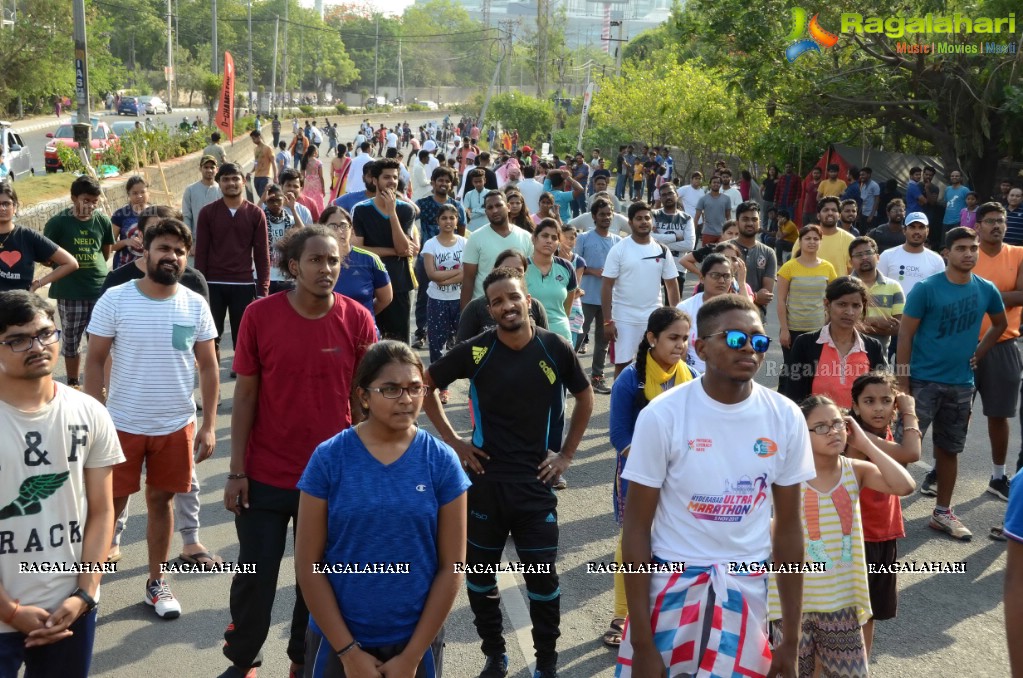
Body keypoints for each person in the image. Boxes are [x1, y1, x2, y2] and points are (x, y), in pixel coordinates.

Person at [616, 294, 813, 677]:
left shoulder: (785, 416)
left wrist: (790, 640)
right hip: (670, 588)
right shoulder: (663, 415)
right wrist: (642, 642)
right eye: (735, 339)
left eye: (758, 341)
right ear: (701, 348)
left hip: (747, 593)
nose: (750, 350)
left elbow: (789, 527)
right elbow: (637, 528)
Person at [218, 226, 377, 678]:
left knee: (318, 581)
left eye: (333, 260)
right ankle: (244, 660)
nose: (326, 269)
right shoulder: (258, 315)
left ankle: (302, 660)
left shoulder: (358, 319)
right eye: (315, 260)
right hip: (266, 473)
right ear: (293, 267)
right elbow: (245, 396)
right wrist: (236, 471)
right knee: (255, 576)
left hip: (332, 479)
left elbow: (360, 400)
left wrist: (365, 470)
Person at [423, 266, 593, 678]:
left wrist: (566, 455)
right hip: (485, 485)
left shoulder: (554, 347)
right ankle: (494, 655)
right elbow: (424, 385)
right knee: (481, 581)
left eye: (512, 297)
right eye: (496, 302)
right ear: (490, 309)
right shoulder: (477, 350)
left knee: (543, 583)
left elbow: (585, 397)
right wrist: (455, 443)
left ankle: (546, 662)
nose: (506, 306)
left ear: (527, 299)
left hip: (536, 486)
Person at [295, 341, 469, 678]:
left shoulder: (441, 462)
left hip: (414, 647)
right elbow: (308, 565)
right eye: (391, 389)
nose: (406, 399)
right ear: (363, 396)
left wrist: (412, 656)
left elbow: (453, 567)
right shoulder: (329, 459)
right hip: (337, 642)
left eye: (415, 388)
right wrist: (348, 653)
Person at [84, 217, 219, 620]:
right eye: (164, 248)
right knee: (109, 503)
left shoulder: (194, 304)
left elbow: (210, 368)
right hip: (120, 424)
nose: (172, 256)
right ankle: (88, 585)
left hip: (176, 425)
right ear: (144, 250)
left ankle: (156, 582)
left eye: (180, 251)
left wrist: (209, 424)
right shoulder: (116, 299)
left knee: (161, 501)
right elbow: (94, 360)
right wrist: (95, 417)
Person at [0, 290, 123, 677]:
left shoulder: (89, 412)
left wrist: (85, 593)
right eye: (17, 339)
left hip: (70, 607)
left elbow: (102, 512)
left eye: (45, 334)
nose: (36, 346)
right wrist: (11, 612)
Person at [767, 394, 914, 678]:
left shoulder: (854, 471)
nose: (833, 431)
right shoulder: (785, 477)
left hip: (842, 604)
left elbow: (905, 485)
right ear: (800, 434)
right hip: (792, 605)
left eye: (838, 424)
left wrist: (865, 443)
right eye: (821, 427)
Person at [897, 227, 1007, 541]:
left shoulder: (986, 289)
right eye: (961, 248)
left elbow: (999, 324)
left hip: (961, 384)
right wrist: (902, 385)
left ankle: (942, 512)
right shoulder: (927, 289)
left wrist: (980, 352)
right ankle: (881, 510)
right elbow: (905, 335)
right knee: (902, 449)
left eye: (973, 248)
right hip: (921, 381)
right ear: (947, 253)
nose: (969, 253)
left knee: (949, 450)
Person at [604, 307, 696, 648]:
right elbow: (619, 436)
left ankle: (673, 613)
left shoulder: (693, 378)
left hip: (682, 476)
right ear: (652, 338)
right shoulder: (630, 380)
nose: (680, 345)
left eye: (685, 338)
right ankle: (622, 615)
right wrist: (654, 466)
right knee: (633, 540)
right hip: (638, 475)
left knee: (679, 539)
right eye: (673, 338)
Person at [847, 371, 921, 657]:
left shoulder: (880, 433)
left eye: (886, 400)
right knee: (853, 611)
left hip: (883, 534)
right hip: (858, 537)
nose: (878, 407)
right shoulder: (859, 437)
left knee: (871, 611)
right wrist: (910, 411)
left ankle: (860, 667)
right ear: (855, 406)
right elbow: (911, 452)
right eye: (869, 401)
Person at [194, 163, 270, 369]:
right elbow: (201, 253)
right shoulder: (207, 213)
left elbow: (262, 255)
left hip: (243, 284)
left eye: (235, 178)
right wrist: (199, 289)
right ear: (219, 183)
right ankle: (213, 387)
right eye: (225, 179)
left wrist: (263, 290)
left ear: (243, 181)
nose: (231, 183)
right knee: (211, 339)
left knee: (244, 342)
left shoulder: (255, 214)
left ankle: (243, 393)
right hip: (213, 285)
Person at [971, 201, 1023, 499]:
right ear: (978, 226)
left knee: (999, 414)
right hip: (962, 343)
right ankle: (939, 470)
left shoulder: (1018, 254)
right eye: (990, 221)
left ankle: (998, 476)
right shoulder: (967, 253)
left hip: (1003, 344)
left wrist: (982, 293)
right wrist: (1004, 296)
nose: (997, 226)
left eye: (1001, 221)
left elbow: (1022, 294)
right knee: (956, 411)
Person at [43, 176, 115, 388]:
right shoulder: (57, 223)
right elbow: (48, 257)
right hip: (70, 291)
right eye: (86, 200)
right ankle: (73, 382)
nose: (91, 205)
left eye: (95, 201)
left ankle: (99, 383)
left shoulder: (102, 221)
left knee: (101, 340)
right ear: (73, 198)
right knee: (72, 341)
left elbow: (105, 253)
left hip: (99, 290)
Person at [602, 201, 681, 376]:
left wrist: (677, 318)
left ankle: (648, 403)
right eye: (639, 218)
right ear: (630, 223)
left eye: (647, 218)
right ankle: (621, 403)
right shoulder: (619, 249)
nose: (644, 222)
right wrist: (608, 320)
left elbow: (672, 285)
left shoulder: (662, 250)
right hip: (624, 318)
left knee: (654, 365)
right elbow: (607, 285)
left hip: (653, 317)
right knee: (622, 366)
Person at [783, 276, 887, 406]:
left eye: (856, 306)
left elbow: (883, 393)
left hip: (860, 426)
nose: (849, 312)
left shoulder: (872, 347)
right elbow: (794, 396)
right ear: (827, 304)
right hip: (817, 424)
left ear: (863, 308)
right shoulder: (805, 344)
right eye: (842, 304)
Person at [351, 158, 418, 344]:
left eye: (395, 178)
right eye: (386, 177)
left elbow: (404, 248)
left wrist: (392, 212)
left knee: (399, 344)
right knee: (370, 342)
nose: (392, 182)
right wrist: (392, 251)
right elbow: (357, 249)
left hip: (400, 284)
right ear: (374, 180)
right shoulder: (361, 210)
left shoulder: (406, 210)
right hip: (370, 283)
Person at [776, 224, 838, 392]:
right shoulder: (788, 267)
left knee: (813, 370)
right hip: (793, 328)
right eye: (808, 238)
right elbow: (781, 300)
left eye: (816, 239)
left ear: (820, 242)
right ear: (800, 241)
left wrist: (828, 322)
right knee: (791, 370)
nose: (812, 242)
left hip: (818, 329)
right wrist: (784, 330)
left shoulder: (827, 267)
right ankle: (785, 401)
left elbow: (834, 299)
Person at [459, 190, 534, 309]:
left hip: (518, 307)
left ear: (508, 207)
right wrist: (464, 316)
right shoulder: (475, 238)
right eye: (490, 207)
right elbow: (468, 279)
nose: (494, 210)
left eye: (499, 205)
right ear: (486, 212)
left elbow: (531, 276)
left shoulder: (526, 237)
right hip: (484, 308)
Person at [455, 249, 549, 343]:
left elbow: (545, 345)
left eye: (518, 270)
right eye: (506, 269)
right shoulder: (475, 308)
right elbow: (461, 352)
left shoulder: (536, 306)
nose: (511, 274)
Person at [0, 182, 78, 293]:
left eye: (6, 204)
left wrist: (38, 284)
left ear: (15, 207)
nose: (2, 208)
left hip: (21, 305)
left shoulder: (27, 236)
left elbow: (71, 263)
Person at [319, 206, 392, 320]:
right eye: (333, 226)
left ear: (352, 230)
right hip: (329, 330)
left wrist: (363, 316)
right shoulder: (315, 261)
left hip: (364, 331)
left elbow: (385, 299)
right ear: (322, 229)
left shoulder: (370, 259)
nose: (339, 231)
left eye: (343, 226)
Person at [678, 253, 744, 374]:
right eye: (715, 275)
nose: (722, 280)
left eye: (726, 276)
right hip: (691, 375)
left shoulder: (738, 310)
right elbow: (679, 348)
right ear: (702, 278)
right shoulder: (685, 308)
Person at [422, 204, 466, 377]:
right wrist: (458, 272)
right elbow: (432, 275)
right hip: (437, 300)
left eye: (452, 218)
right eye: (444, 218)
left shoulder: (464, 243)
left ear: (457, 221)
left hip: (460, 299)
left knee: (463, 342)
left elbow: (468, 273)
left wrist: (445, 278)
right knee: (436, 343)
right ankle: (440, 383)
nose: (448, 221)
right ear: (437, 221)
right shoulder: (430, 244)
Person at [849, 236, 904, 356]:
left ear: (878, 257)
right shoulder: (843, 286)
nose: (864, 258)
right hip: (846, 357)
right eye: (858, 255)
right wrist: (876, 322)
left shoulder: (894, 287)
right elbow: (837, 323)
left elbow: (898, 328)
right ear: (851, 262)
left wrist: (858, 324)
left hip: (880, 357)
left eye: (868, 253)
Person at [526, 219, 577, 345]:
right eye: (544, 236)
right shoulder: (521, 267)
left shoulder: (567, 267)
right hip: (529, 337)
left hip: (561, 337)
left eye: (554, 238)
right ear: (534, 238)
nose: (549, 240)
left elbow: (567, 309)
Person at [877, 211, 945, 298]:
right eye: (912, 227)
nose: (917, 231)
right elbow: (877, 288)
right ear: (904, 230)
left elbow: (939, 293)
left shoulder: (937, 261)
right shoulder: (887, 256)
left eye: (921, 227)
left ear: (927, 231)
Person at [726, 200, 777, 317]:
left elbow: (766, 295)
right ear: (737, 222)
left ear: (759, 222)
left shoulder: (768, 253)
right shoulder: (724, 249)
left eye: (754, 219)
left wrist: (755, 298)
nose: (750, 223)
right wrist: (755, 296)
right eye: (745, 219)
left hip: (755, 317)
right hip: (726, 314)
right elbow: (716, 289)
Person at [792, 196, 855, 275]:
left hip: (838, 287)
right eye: (825, 210)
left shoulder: (850, 240)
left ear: (839, 216)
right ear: (818, 216)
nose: (830, 213)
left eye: (834, 210)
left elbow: (853, 272)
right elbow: (794, 266)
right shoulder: (805, 238)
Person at [110, 177, 150, 270]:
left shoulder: (157, 214)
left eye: (143, 192)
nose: (139, 196)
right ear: (129, 194)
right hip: (124, 266)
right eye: (135, 193)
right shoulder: (120, 215)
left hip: (148, 267)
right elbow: (109, 246)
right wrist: (126, 242)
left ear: (148, 193)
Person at [182, 156, 223, 239]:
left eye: (212, 167)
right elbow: (186, 216)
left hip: (218, 239)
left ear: (217, 170)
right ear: (200, 169)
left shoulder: (222, 190)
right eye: (206, 167)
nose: (209, 170)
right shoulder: (190, 190)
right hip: (197, 239)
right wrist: (189, 239)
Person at [694, 175, 732, 244]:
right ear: (710, 184)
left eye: (718, 183)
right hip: (708, 233)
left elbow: (728, 216)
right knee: (706, 254)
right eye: (714, 182)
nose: (716, 184)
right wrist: (693, 231)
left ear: (720, 184)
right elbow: (697, 217)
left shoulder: (727, 198)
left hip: (722, 233)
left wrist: (730, 231)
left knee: (723, 254)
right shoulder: (703, 199)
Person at [248, 130, 277, 199]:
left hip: (265, 177)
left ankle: (265, 209)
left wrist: (275, 176)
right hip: (256, 177)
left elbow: (273, 162)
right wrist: (251, 172)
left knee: (264, 197)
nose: (253, 141)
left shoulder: (268, 148)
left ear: (259, 137)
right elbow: (256, 162)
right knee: (261, 196)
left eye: (254, 138)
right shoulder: (255, 149)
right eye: (252, 139)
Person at [300, 146, 325, 217]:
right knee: (318, 199)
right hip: (316, 182)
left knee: (307, 197)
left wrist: (301, 186)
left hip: (307, 182)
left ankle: (307, 214)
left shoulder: (304, 161)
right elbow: (321, 176)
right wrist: (323, 188)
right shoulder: (318, 162)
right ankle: (319, 215)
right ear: (314, 152)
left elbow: (302, 175)